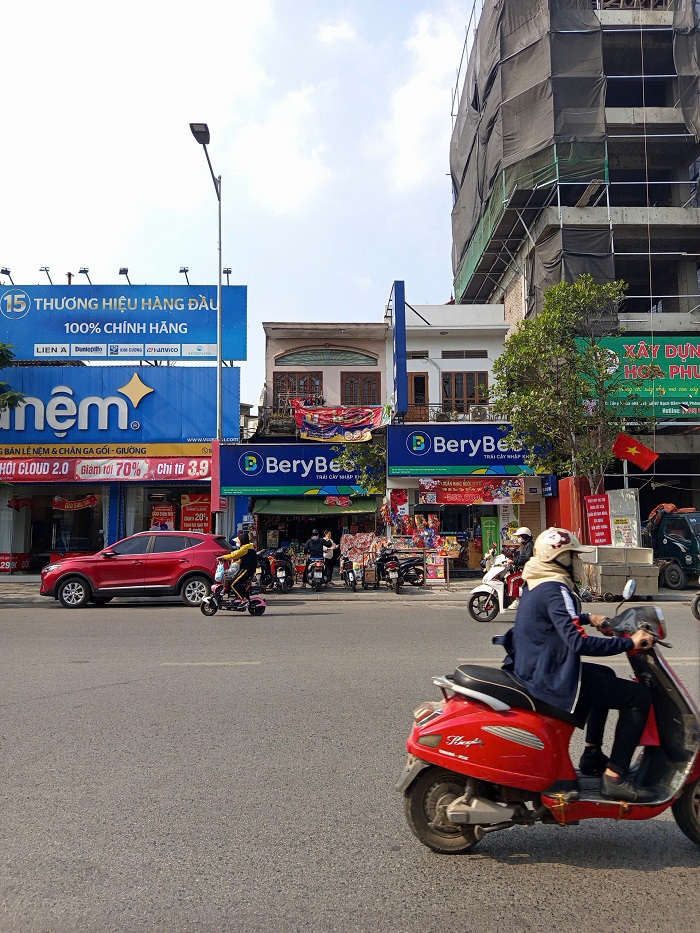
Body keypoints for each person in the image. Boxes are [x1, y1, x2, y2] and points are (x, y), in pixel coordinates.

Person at [499, 527, 655, 803]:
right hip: (548, 677)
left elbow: (557, 619)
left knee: (605, 674)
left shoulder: (538, 580)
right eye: (573, 556)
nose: (577, 563)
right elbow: (578, 644)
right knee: (638, 697)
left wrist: (588, 617)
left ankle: (592, 753)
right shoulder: (555, 588)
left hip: (536, 667)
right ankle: (615, 776)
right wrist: (629, 644)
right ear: (559, 558)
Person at [218, 531, 258, 604]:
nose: (237, 543)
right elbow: (235, 553)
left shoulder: (245, 548)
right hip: (248, 569)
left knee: (234, 584)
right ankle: (244, 597)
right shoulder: (248, 547)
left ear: (242, 541)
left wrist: (223, 557)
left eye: (238, 542)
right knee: (239, 583)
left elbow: (235, 555)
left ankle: (243, 599)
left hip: (247, 569)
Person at [506, 526, 534, 610]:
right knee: (508, 578)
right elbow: (521, 557)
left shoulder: (530, 545)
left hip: (529, 571)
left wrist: (514, 561)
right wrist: (513, 559)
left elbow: (526, 559)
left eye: (519, 536)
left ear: (524, 536)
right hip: (524, 569)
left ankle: (517, 601)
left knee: (513, 580)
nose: (518, 538)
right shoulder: (525, 545)